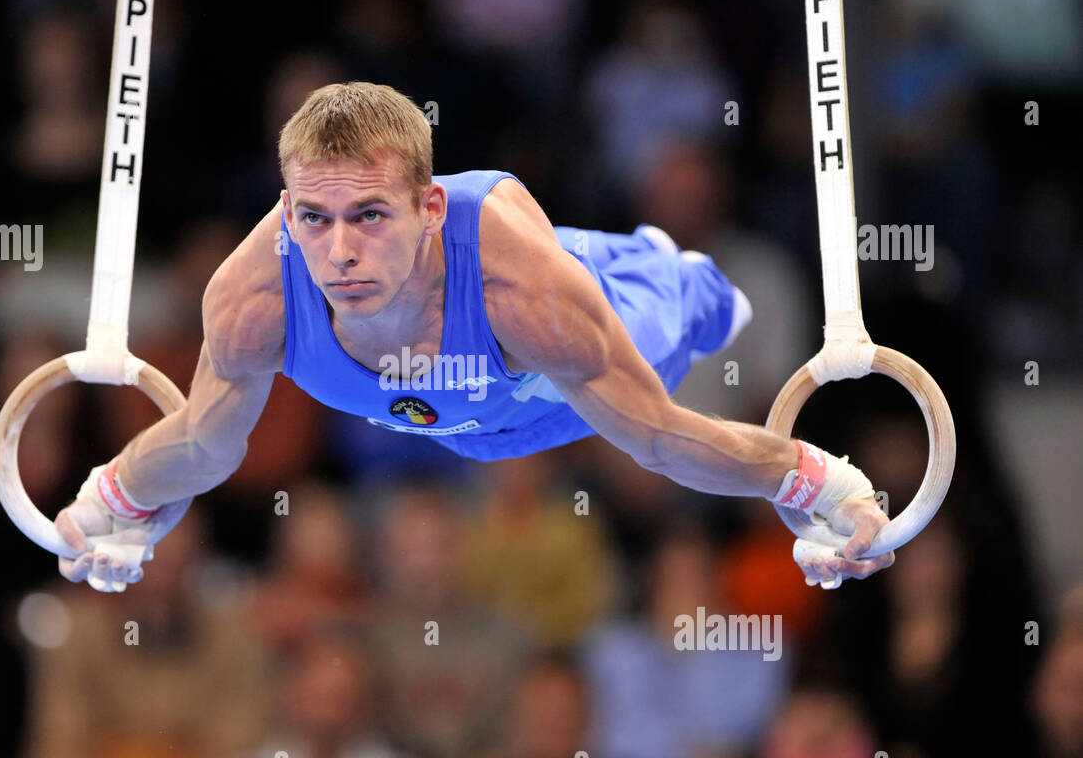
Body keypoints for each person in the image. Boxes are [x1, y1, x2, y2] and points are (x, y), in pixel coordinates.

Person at [51, 82, 894, 593]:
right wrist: (107, 501)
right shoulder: (252, 301)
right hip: (466, 428)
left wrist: (823, 486)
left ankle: (673, 271)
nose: (339, 250)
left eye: (370, 215)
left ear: (429, 208)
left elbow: (666, 444)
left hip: (576, 368)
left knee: (699, 310)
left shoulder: (521, 292)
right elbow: (202, 447)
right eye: (313, 217)